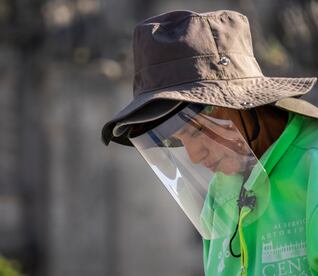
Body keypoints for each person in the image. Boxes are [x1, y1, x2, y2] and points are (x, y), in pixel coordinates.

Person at [101, 10, 318, 276]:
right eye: (175, 141)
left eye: (195, 132)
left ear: (244, 104)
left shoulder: (313, 165)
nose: (193, 156)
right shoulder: (223, 192)